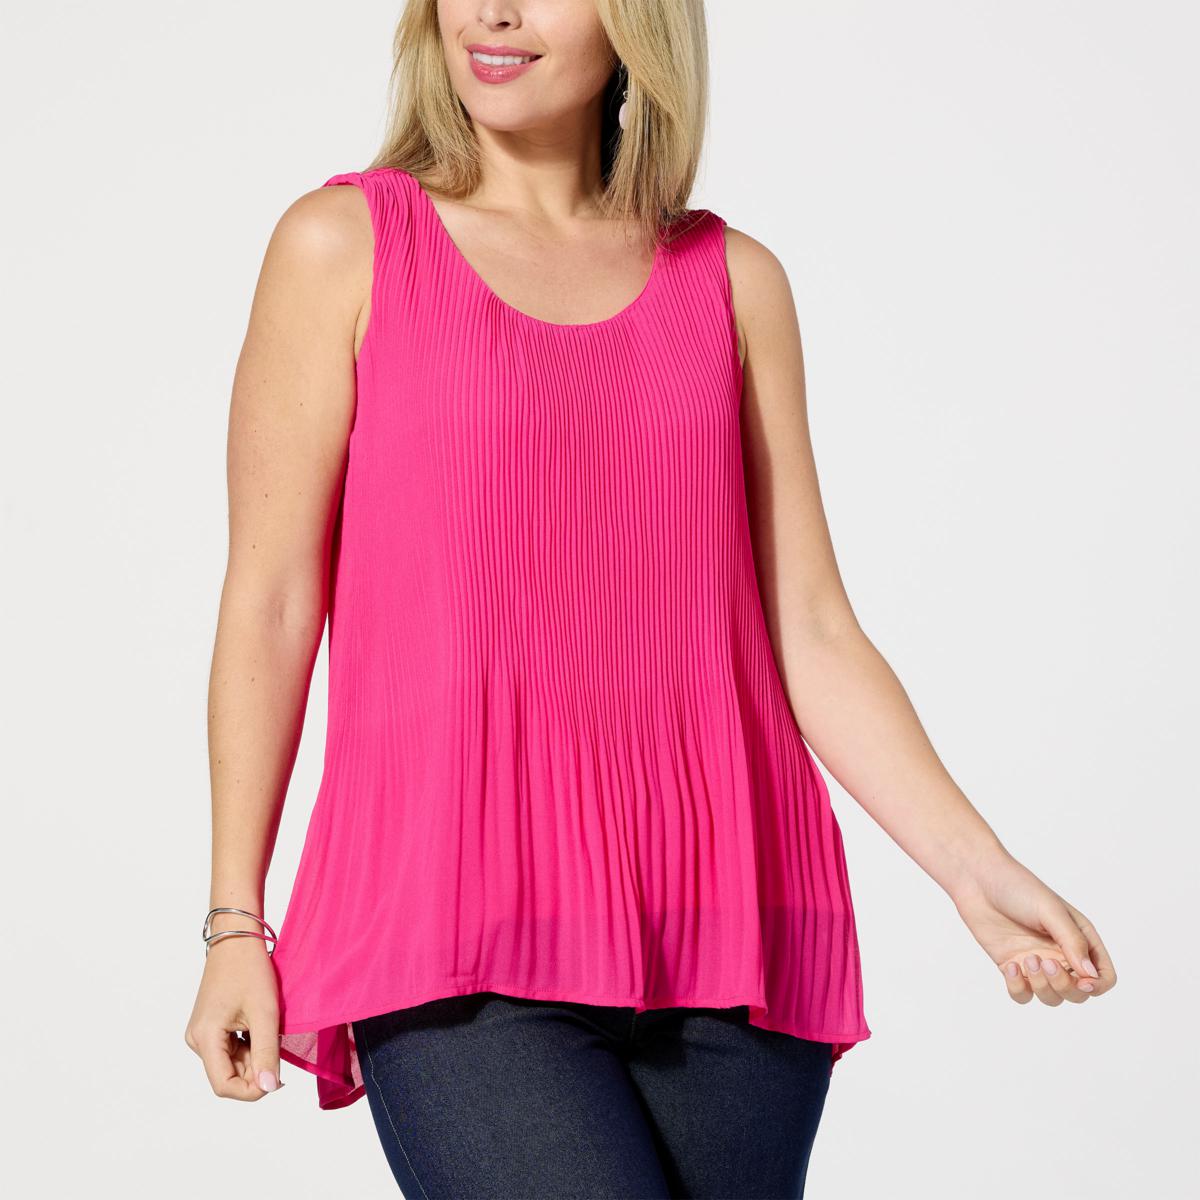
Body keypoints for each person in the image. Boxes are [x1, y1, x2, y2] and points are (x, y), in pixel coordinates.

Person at [185, 1, 1118, 1196]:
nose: (495, 10)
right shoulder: (345, 247)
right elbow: (271, 599)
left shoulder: (733, 281)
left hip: (731, 923)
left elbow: (810, 625)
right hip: (451, 908)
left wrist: (977, 871)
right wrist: (235, 920)